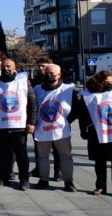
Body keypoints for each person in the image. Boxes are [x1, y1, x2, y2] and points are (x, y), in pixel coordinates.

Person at [0, 58, 37, 190]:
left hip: (19, 125)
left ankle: (24, 180)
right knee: (2, 154)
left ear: (14, 68)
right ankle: (3, 177)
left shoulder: (23, 81)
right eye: (3, 66)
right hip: (0, 125)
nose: (5, 68)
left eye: (8, 66)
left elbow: (32, 102)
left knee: (21, 154)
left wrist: (31, 122)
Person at [33, 63, 80, 192]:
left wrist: (66, 121)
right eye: (46, 73)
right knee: (42, 156)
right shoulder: (37, 89)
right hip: (42, 129)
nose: (49, 76)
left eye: (52, 74)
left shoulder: (68, 90)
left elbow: (76, 109)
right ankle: (43, 179)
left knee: (66, 156)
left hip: (61, 130)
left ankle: (68, 181)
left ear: (59, 75)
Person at [78, 70, 112, 195]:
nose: (110, 84)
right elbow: (82, 114)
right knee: (100, 161)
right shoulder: (88, 95)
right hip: (97, 132)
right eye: (109, 81)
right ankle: (101, 186)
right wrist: (83, 130)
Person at [29, 57, 60, 181]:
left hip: (55, 120)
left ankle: (59, 172)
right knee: (39, 148)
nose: (41, 68)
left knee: (57, 148)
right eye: (39, 66)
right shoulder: (33, 82)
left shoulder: (59, 81)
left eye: (44, 66)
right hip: (39, 121)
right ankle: (39, 169)